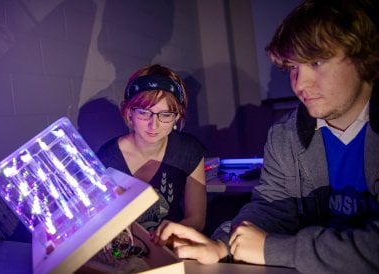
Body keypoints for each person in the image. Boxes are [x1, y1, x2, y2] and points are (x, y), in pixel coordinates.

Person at [152, 0, 379, 273]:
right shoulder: (285, 135)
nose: (299, 84)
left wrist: (273, 249)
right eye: (293, 68)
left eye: (317, 62)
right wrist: (223, 245)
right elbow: (271, 207)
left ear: (364, 57)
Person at [97, 64, 207, 232]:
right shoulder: (106, 159)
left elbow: (196, 219)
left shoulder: (189, 151)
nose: (153, 125)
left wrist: (161, 241)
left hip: (171, 247)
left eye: (165, 114)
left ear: (177, 117)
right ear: (128, 113)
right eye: (143, 112)